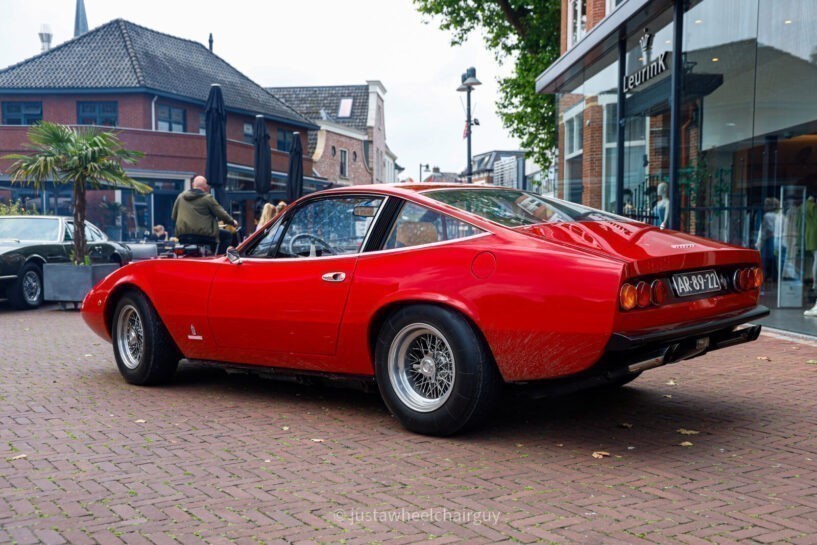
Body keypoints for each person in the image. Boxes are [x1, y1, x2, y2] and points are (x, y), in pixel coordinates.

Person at [172, 175, 238, 254]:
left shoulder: (180, 197)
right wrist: (232, 222)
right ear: (206, 187)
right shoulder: (207, 198)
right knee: (227, 235)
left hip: (183, 236)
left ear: (193, 185)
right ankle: (219, 259)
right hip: (203, 235)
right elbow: (221, 214)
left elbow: (173, 216)